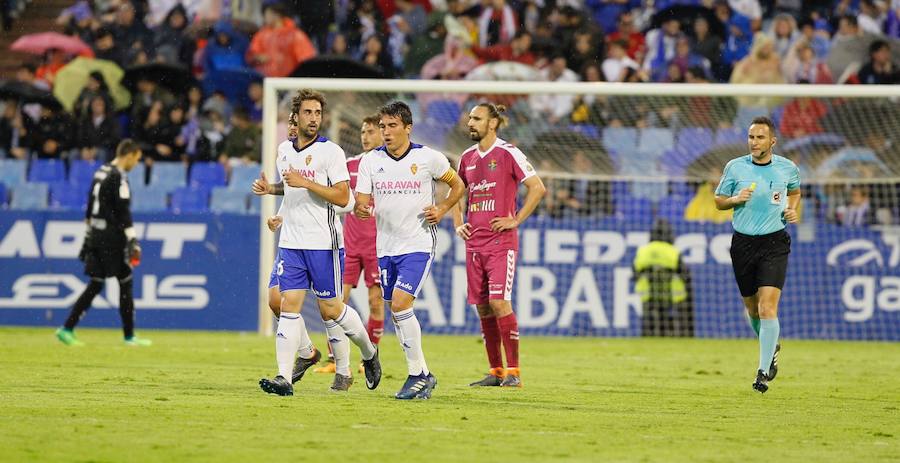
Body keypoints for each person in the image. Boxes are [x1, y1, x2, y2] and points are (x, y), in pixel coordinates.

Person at [252, 89, 381, 396]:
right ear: (295, 116)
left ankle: (369, 352)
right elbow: (292, 189)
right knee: (287, 304)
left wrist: (306, 182)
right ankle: (284, 377)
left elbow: (344, 197)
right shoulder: (284, 150)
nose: (313, 118)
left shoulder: (331, 152)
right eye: (308, 112)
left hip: (324, 244)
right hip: (292, 243)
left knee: (332, 309)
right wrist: (274, 194)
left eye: (318, 113)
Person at [354, 101, 465, 399]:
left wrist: (442, 208)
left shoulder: (428, 158)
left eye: (392, 126)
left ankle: (416, 374)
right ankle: (424, 375)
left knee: (401, 304)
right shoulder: (370, 161)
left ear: (408, 128)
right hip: (385, 247)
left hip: (418, 243)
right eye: (383, 127)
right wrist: (361, 208)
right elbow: (361, 199)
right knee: (396, 309)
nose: (386, 132)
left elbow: (458, 185)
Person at [453, 102, 546, 388]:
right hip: (474, 244)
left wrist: (515, 219)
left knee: (498, 302)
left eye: (477, 118)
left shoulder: (508, 153)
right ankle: (496, 371)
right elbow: (455, 191)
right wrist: (458, 222)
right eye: (470, 118)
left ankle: (514, 372)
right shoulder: (467, 157)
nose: (470, 123)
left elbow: (538, 187)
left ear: (492, 123)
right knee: (483, 307)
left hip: (500, 243)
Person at [714, 116, 801, 394]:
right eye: (751, 137)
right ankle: (771, 346)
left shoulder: (787, 168)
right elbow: (718, 201)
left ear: (772, 141)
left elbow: (795, 192)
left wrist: (792, 209)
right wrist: (734, 200)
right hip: (743, 244)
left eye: (760, 137)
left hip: (774, 243)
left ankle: (762, 372)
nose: (754, 142)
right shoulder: (735, 167)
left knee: (767, 308)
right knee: (752, 309)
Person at [56, 139, 151, 347]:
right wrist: (132, 238)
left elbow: (91, 204)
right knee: (125, 280)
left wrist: (88, 235)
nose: (136, 164)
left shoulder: (101, 171)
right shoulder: (119, 176)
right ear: (129, 155)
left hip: (96, 235)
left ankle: (67, 328)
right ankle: (129, 336)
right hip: (112, 237)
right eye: (136, 159)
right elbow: (123, 212)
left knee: (96, 283)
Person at [315, 114, 386, 374]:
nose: (365, 136)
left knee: (376, 302)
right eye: (363, 132)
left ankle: (369, 358)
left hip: (378, 247)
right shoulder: (348, 166)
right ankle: (334, 359)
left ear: (383, 134)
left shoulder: (390, 167)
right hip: (350, 246)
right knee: (336, 301)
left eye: (371, 131)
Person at [633, 219, 691, 337]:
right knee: (686, 292)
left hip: (648, 295)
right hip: (672, 295)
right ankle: (683, 332)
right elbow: (685, 275)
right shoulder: (673, 251)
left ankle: (647, 333)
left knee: (648, 309)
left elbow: (635, 273)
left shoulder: (643, 250)